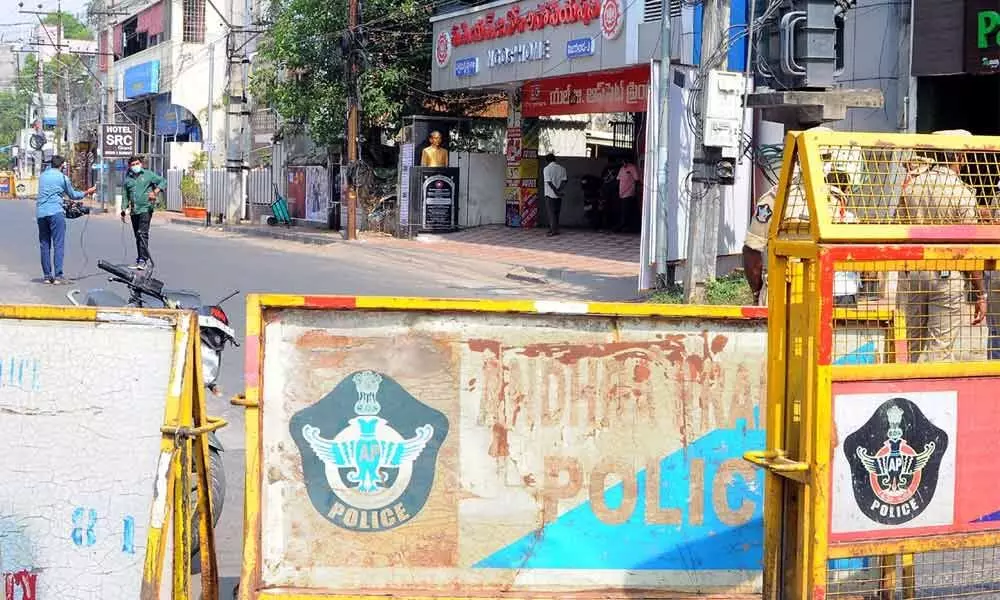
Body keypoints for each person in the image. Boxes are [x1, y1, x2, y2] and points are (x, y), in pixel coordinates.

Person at [895, 129, 986, 362]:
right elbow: (970, 248)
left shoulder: (912, 187)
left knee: (914, 346)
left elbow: (897, 228)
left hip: (914, 272)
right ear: (960, 157)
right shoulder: (962, 192)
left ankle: (913, 388)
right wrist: (980, 292)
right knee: (940, 349)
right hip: (947, 275)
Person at [35, 155, 96, 285]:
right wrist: (87, 192)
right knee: (58, 244)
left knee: (45, 244)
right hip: (56, 213)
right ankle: (58, 276)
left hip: (41, 213)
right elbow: (73, 195)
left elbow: (49, 192)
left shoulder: (43, 176)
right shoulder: (63, 178)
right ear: (62, 165)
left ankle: (46, 276)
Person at [123, 155, 167, 270]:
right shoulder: (128, 178)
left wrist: (155, 192)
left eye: (137, 164)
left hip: (146, 208)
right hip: (134, 210)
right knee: (137, 235)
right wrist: (123, 209)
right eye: (133, 165)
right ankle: (140, 258)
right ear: (129, 166)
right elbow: (125, 195)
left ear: (141, 164)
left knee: (142, 234)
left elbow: (163, 181)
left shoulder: (148, 175)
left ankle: (143, 260)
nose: (135, 166)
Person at [542, 153, 567, 237]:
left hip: (549, 194)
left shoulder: (546, 169)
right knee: (556, 212)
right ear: (554, 159)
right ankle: (555, 228)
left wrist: (555, 191)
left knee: (551, 213)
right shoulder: (562, 168)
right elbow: (565, 181)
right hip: (559, 195)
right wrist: (559, 189)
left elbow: (549, 182)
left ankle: (553, 230)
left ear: (547, 161)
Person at [616, 155, 641, 233]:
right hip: (622, 193)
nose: (624, 163)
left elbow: (637, 179)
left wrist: (635, 191)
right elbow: (618, 179)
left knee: (626, 210)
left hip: (629, 192)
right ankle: (624, 225)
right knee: (623, 210)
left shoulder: (632, 168)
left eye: (625, 161)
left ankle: (624, 226)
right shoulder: (622, 169)